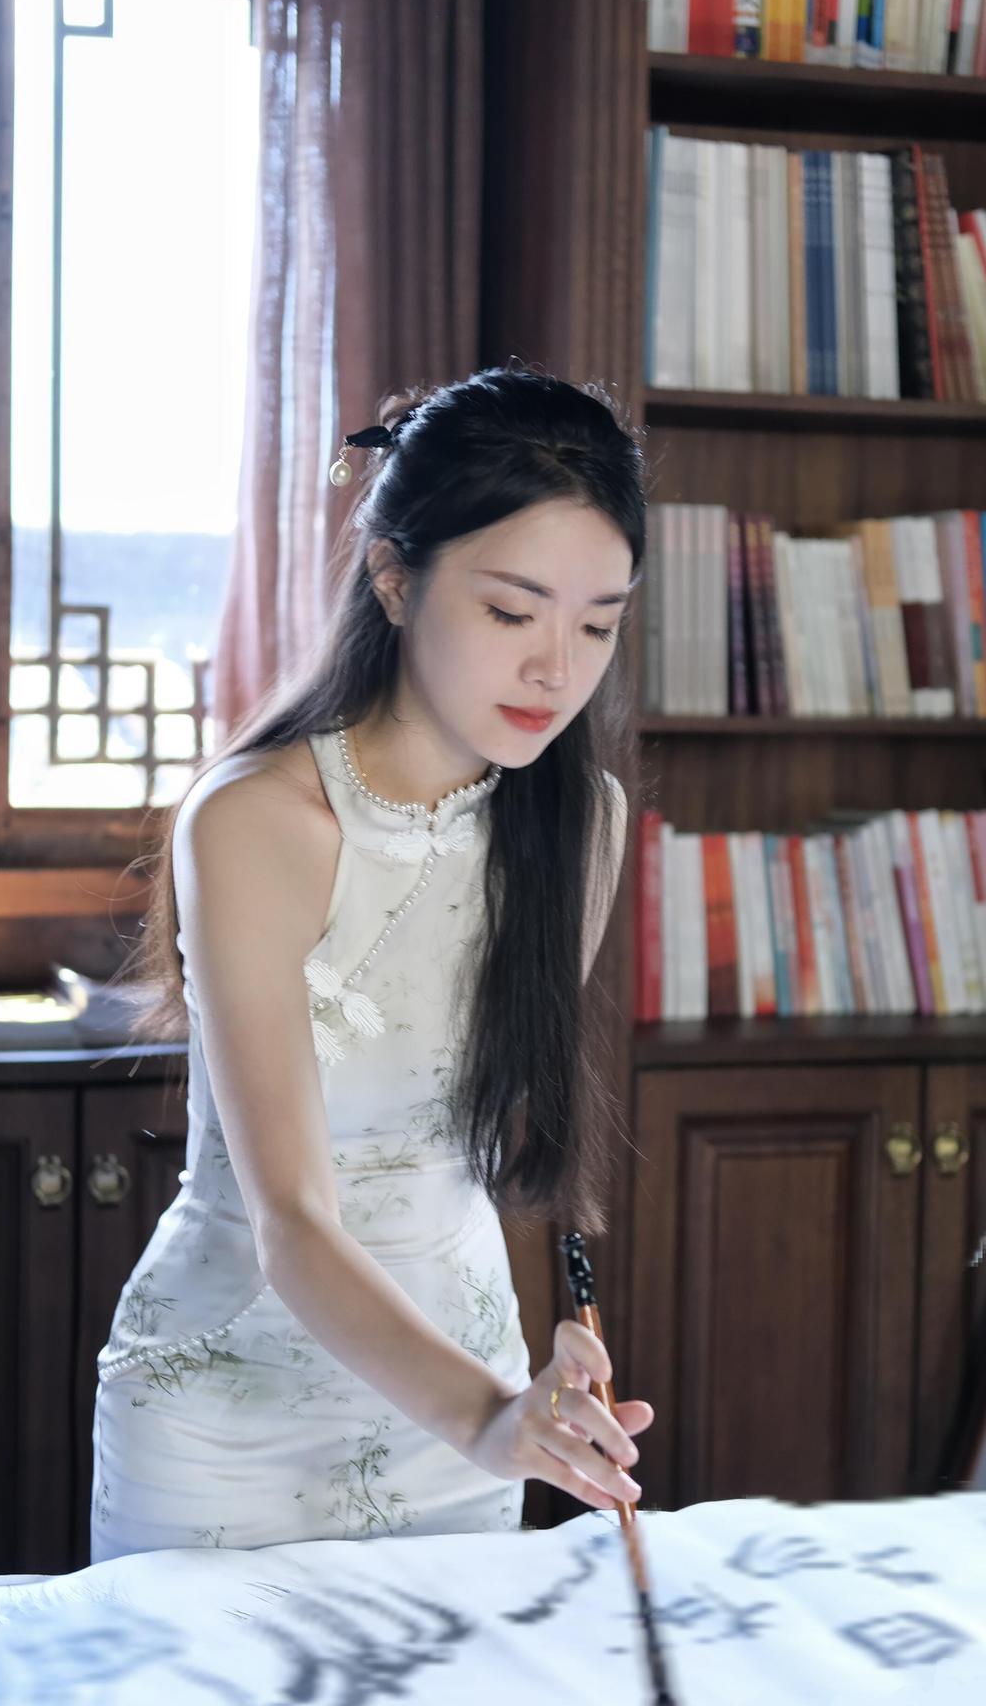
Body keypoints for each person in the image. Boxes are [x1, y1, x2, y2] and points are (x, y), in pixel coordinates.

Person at [89, 363, 654, 1559]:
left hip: (462, 1397)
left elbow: (472, 1138)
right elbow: (293, 1218)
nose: (557, 670)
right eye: (512, 613)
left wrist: (525, 1399)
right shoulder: (258, 819)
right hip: (229, 1416)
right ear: (395, 578)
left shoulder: (581, 824)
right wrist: (489, 1416)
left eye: (597, 624)